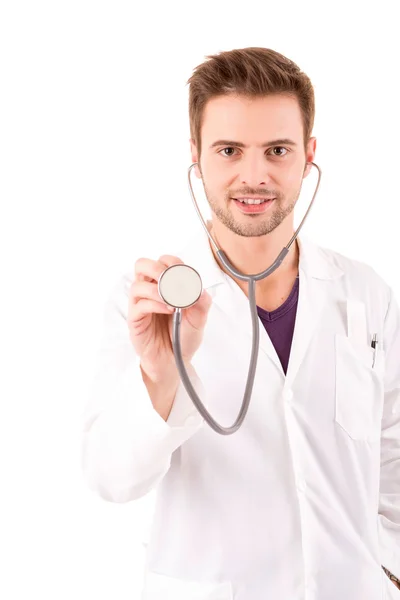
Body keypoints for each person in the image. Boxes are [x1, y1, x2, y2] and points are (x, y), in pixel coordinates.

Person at [81, 47, 400, 599]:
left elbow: (391, 450)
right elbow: (111, 479)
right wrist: (161, 376)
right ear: (197, 156)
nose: (254, 176)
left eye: (277, 150)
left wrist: (390, 570)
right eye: (229, 150)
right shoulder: (145, 303)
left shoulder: (364, 292)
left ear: (308, 155)